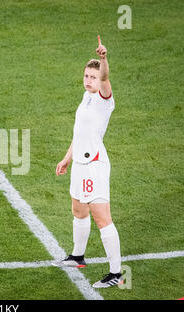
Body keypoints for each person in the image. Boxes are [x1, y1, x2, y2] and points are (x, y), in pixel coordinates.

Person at [53, 36, 122, 288]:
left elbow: (105, 78)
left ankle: (116, 274)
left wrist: (103, 59)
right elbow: (79, 134)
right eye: (86, 76)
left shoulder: (104, 98)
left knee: (102, 218)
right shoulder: (86, 98)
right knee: (78, 210)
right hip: (80, 165)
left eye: (92, 77)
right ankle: (78, 256)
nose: (89, 80)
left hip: (94, 166)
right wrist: (66, 158)